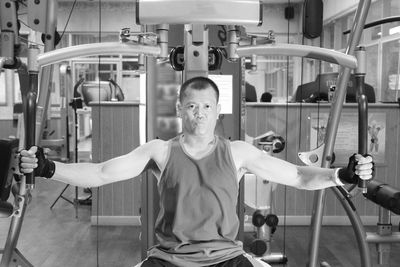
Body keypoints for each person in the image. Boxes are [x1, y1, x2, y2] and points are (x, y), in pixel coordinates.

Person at [18, 76, 374, 267]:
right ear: (180, 109)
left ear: (218, 110)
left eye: (206, 106)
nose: (199, 113)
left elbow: (297, 176)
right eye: (192, 106)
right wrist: (49, 167)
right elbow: (101, 173)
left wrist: (341, 175)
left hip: (227, 259)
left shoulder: (237, 152)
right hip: (168, 259)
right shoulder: (159, 150)